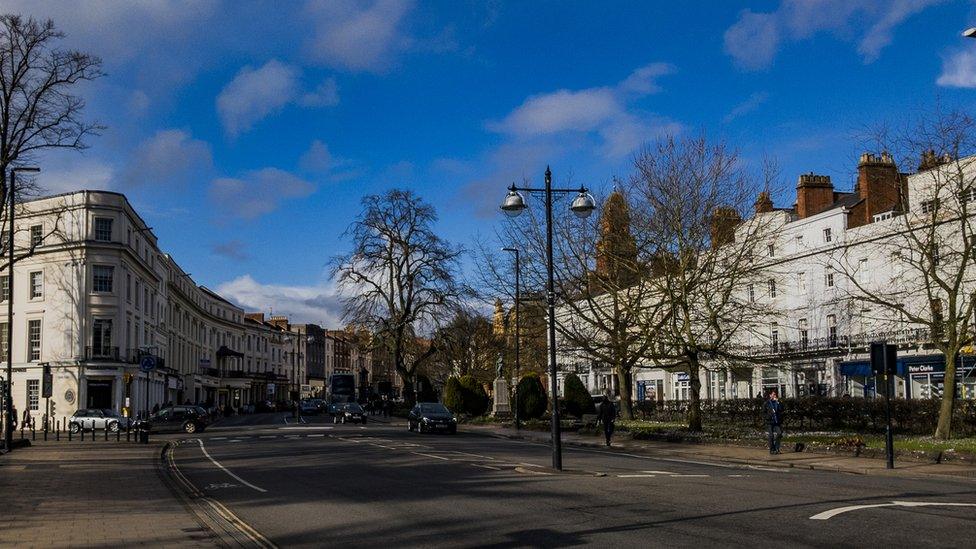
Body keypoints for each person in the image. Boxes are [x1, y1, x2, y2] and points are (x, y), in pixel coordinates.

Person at [764, 390, 784, 454]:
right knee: (771, 436)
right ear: (770, 395)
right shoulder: (767, 403)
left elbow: (781, 410)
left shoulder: (777, 402)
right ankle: (772, 450)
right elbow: (763, 412)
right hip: (769, 421)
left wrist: (778, 402)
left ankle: (776, 448)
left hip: (776, 421)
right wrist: (768, 416)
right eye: (773, 394)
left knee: (779, 433)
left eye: (775, 394)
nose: (775, 396)